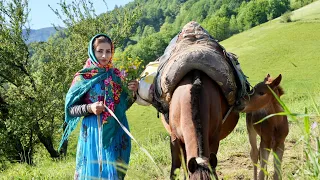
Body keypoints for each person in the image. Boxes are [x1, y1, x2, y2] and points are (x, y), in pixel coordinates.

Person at [59, 33, 138, 180]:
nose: (104, 55)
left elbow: (122, 106)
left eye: (108, 51)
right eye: (100, 51)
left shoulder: (116, 75)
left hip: (115, 131)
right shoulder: (83, 77)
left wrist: (133, 93)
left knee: (114, 172)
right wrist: (90, 108)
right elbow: (70, 109)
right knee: (94, 172)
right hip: (93, 131)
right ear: (92, 52)